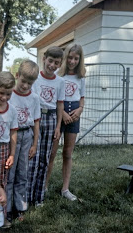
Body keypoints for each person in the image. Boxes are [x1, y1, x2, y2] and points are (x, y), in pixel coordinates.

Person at [46, 43, 86, 201]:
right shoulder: (58, 74)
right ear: (65, 58)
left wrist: (80, 109)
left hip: (74, 113)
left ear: (80, 59)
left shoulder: (81, 76)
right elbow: (55, 98)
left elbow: (82, 97)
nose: (72, 61)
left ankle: (65, 189)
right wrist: (62, 113)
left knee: (68, 153)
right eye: (70, 57)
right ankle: (45, 186)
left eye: (76, 58)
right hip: (59, 112)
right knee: (52, 153)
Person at [28, 46, 65, 207]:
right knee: (32, 157)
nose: (52, 65)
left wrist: (58, 127)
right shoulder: (36, 78)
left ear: (60, 64)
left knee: (45, 158)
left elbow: (60, 104)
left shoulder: (60, 81)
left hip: (51, 118)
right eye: (50, 61)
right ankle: (28, 195)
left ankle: (39, 196)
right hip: (36, 117)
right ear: (44, 58)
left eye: (56, 63)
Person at [6, 60, 40, 222]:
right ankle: (7, 209)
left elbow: (36, 121)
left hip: (27, 136)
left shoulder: (34, 98)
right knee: (9, 173)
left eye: (30, 83)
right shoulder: (9, 95)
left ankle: (19, 208)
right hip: (11, 136)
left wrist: (35, 144)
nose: (26, 86)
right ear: (17, 76)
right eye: (23, 81)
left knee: (22, 173)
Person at [0, 71, 18, 228]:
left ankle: (2, 216)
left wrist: (12, 154)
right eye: (1, 93)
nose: (5, 97)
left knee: (2, 183)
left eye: (8, 94)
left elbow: (13, 132)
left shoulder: (12, 110)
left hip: (4, 148)